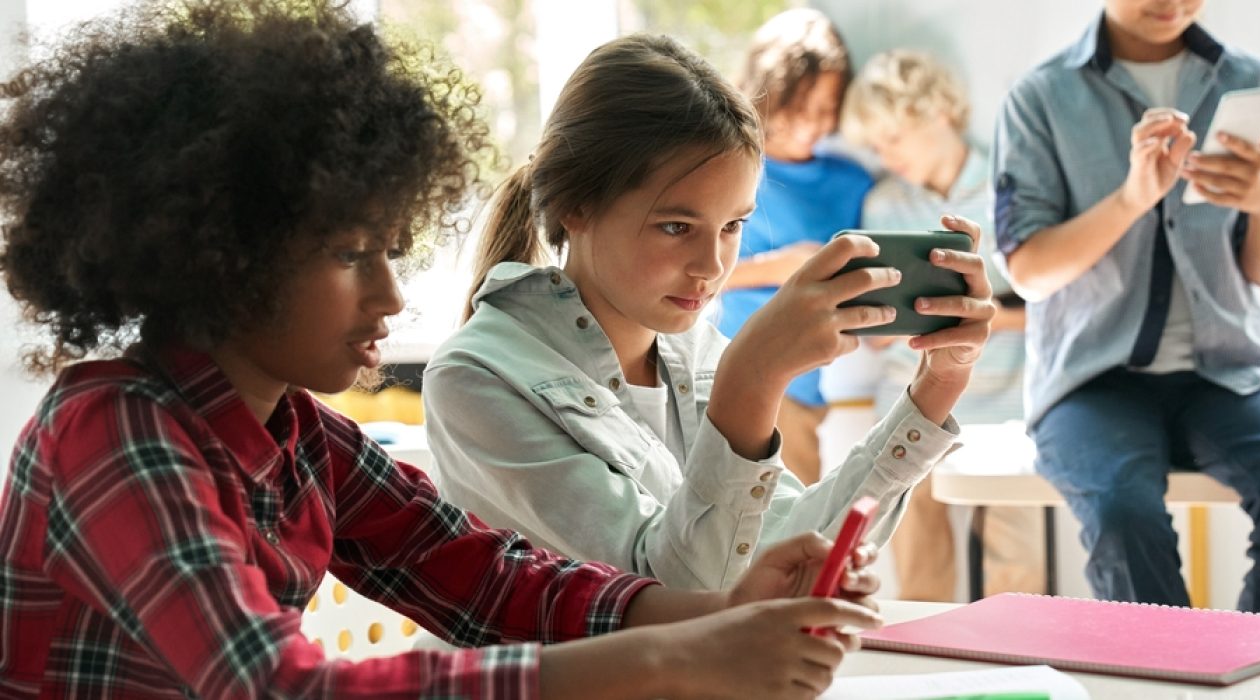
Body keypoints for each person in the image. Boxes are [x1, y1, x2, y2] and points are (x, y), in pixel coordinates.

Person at [0, 2, 888, 697]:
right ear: (224, 257)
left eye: (390, 250)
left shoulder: (304, 438)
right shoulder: (109, 431)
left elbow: (491, 580)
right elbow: (276, 687)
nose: (390, 295)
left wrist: (718, 615)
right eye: (352, 256)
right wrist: (672, 660)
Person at [421, 34, 995, 591]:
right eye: (676, 226)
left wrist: (937, 385)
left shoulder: (693, 351)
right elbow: (679, 598)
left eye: (733, 226)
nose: (711, 266)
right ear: (576, 205)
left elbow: (789, 552)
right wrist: (753, 378)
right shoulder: (476, 380)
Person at [992, 0, 1260, 615]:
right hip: (1091, 380)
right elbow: (1028, 271)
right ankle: (1170, 679)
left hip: (1228, 369)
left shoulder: (1250, 81)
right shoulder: (1040, 97)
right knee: (1122, 517)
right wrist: (1133, 198)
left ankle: (1248, 669)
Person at [840, 49, 1043, 602]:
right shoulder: (884, 204)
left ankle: (1014, 670)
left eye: (895, 138)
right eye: (877, 144)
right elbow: (877, 323)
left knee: (1017, 563)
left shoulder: (1013, 190)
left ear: (941, 115)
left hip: (1005, 407)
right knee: (915, 555)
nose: (887, 155)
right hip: (908, 401)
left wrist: (982, 318)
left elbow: (1052, 304)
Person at [716, 8, 873, 485]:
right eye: (800, 107)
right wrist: (782, 267)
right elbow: (698, 273)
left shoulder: (852, 182)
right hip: (740, 369)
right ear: (768, 91)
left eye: (827, 109)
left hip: (815, 380)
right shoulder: (732, 168)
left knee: (795, 523)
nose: (813, 123)